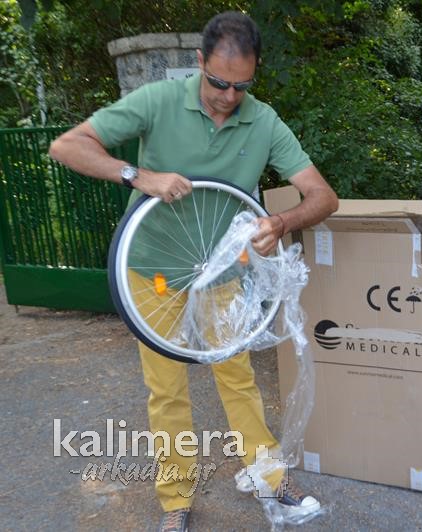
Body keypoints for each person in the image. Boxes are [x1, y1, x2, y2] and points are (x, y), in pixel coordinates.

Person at [49, 11, 338, 532]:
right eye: (218, 82)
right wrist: (139, 175)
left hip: (223, 274)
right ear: (200, 61)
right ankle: (176, 500)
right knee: (166, 390)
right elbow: (67, 146)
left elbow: (323, 196)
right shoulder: (158, 101)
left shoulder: (263, 120)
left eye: (241, 86)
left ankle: (270, 476)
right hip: (154, 273)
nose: (228, 96)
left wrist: (281, 222)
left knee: (238, 379)